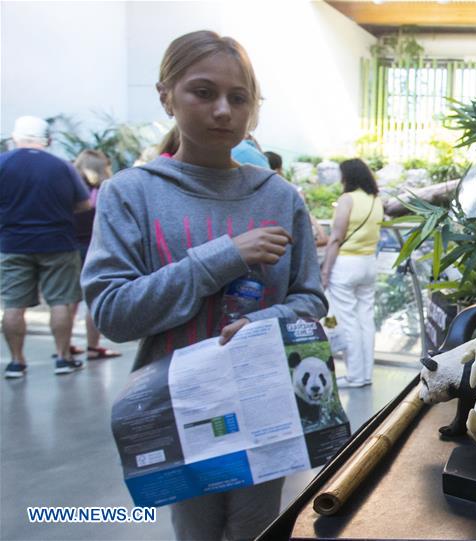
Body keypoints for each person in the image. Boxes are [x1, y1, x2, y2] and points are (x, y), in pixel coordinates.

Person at [80, 30, 326, 540]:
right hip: (177, 412)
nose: (222, 111)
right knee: (196, 531)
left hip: (268, 406)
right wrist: (223, 257)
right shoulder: (131, 194)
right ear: (166, 95)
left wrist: (265, 321)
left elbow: (309, 301)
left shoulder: (280, 197)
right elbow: (113, 313)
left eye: (238, 98)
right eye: (202, 92)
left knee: (259, 528)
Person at [1, 116, 91, 378]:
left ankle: (16, 362)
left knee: (14, 305)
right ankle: (62, 358)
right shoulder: (62, 167)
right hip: (58, 243)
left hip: (13, 244)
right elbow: (84, 204)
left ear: (15, 137)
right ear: (48, 140)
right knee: (60, 302)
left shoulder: (2, 163)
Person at [320, 159, 384, 388]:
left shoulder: (347, 199)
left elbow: (336, 237)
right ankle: (366, 374)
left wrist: (325, 271)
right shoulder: (376, 199)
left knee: (347, 321)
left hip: (346, 265)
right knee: (366, 319)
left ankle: (355, 376)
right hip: (368, 264)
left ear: (348, 176)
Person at [71, 150, 120, 360]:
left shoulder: (71, 187)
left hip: (71, 246)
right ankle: (92, 346)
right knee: (94, 299)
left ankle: (64, 348)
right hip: (94, 247)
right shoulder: (106, 190)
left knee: (66, 300)